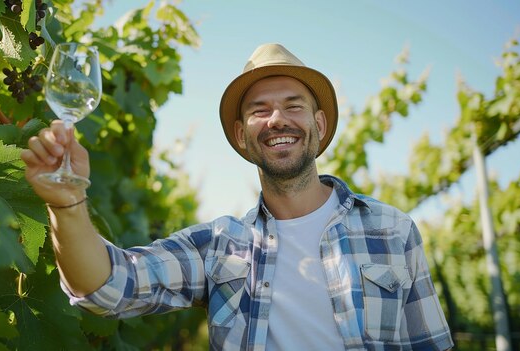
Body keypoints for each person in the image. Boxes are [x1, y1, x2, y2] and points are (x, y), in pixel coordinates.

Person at [22, 43, 454, 351]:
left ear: (319, 124)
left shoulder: (393, 230)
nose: (277, 119)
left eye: (293, 105)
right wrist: (67, 204)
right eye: (259, 110)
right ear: (241, 136)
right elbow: (107, 287)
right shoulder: (219, 246)